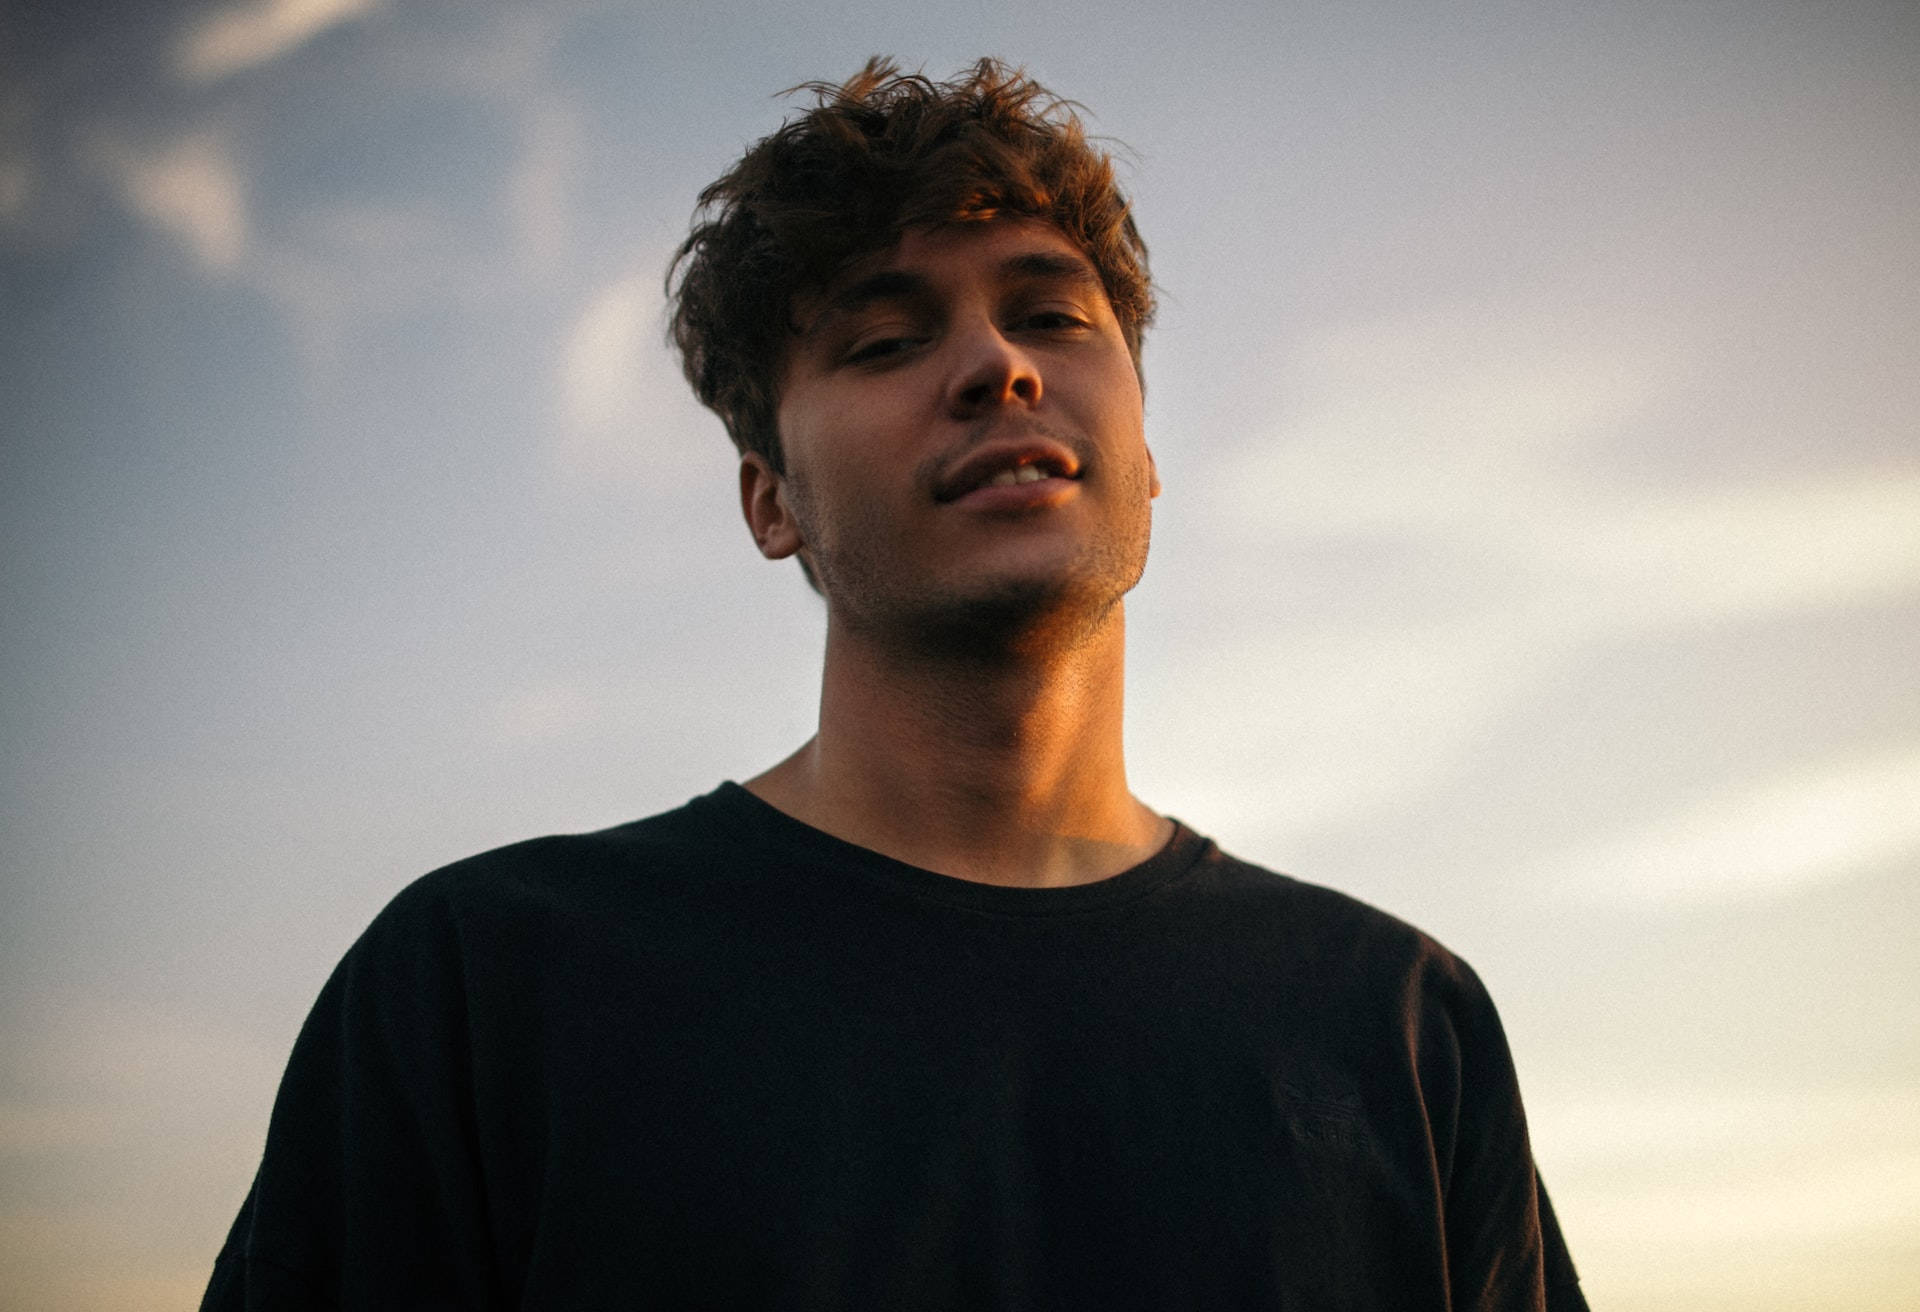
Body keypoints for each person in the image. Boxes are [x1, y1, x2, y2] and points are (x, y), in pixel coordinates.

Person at [203, 58, 1588, 1310]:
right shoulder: (483, 988)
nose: (997, 366)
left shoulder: (1399, 1027)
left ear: (1148, 451)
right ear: (771, 501)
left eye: (1053, 315)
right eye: (883, 342)